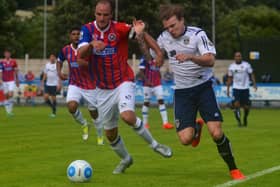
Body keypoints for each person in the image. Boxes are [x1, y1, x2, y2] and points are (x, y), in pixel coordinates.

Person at [139, 4, 245, 180]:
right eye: (167, 27)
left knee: (217, 133)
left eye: (173, 25)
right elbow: (153, 60)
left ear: (182, 19)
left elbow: (210, 60)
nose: (170, 30)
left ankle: (234, 169)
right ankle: (196, 127)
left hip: (203, 88)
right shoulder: (164, 37)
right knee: (185, 139)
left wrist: (190, 57)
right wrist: (141, 36)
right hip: (182, 92)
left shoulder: (197, 34)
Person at [78, 0, 172, 174]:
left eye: (106, 14)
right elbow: (80, 55)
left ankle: (155, 145)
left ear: (111, 15)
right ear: (95, 13)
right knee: (110, 135)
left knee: (127, 116)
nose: (102, 18)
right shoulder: (87, 30)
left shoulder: (119, 28)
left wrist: (159, 52)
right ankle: (126, 159)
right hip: (102, 89)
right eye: (99, 14)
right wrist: (91, 45)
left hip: (123, 81)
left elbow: (142, 34)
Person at [57, 27, 104, 144]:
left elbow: (98, 65)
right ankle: (84, 124)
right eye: (74, 34)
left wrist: (86, 64)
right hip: (74, 84)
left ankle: (100, 136)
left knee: (94, 113)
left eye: (78, 34)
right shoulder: (66, 50)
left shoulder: (88, 49)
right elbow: (59, 60)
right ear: (70, 36)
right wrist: (59, 72)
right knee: (71, 106)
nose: (76, 36)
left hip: (90, 85)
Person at [138, 55, 174, 129]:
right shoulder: (144, 58)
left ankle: (165, 123)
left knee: (161, 101)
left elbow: (157, 70)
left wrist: (160, 79)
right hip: (147, 85)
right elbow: (141, 72)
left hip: (157, 84)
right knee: (146, 102)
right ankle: (145, 124)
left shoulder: (157, 58)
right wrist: (147, 81)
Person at [227, 52, 257, 127]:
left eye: (239, 56)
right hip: (236, 88)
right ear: (234, 57)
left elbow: (251, 74)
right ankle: (239, 122)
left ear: (241, 57)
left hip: (245, 88)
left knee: (246, 107)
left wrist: (254, 84)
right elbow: (230, 78)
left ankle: (245, 118)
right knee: (236, 105)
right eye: (236, 56)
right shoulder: (231, 67)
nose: (238, 57)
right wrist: (228, 89)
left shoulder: (246, 65)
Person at [0, 49, 19, 116]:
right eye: (6, 53)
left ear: (10, 54)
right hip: (4, 81)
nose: (7, 55)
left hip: (11, 80)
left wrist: (17, 79)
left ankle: (10, 111)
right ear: (4, 55)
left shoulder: (13, 62)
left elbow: (16, 71)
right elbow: (1, 72)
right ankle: (8, 111)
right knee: (6, 96)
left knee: (11, 94)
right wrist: (0, 79)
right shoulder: (2, 62)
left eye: (8, 53)